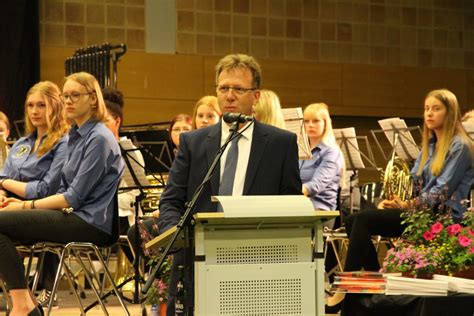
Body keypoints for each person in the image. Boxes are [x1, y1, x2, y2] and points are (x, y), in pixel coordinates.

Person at [157, 53, 302, 315]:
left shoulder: (281, 144)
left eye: (238, 89)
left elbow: (289, 207)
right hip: (197, 260)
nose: (229, 96)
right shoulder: (193, 142)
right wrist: (177, 237)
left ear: (255, 96)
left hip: (255, 264)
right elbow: (171, 200)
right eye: (223, 88)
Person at [326, 89, 474, 313]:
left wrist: (410, 205)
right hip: (421, 213)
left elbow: (442, 190)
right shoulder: (430, 146)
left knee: (364, 220)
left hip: (442, 217)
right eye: (426, 109)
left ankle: (347, 288)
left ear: (450, 112)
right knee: (353, 219)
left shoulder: (460, 147)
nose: (429, 114)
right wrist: (397, 200)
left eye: (436, 108)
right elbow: (414, 181)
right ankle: (373, 283)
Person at [0, 72, 123, 316]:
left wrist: (25, 207)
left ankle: (24, 304)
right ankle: (25, 302)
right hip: (71, 214)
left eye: (75, 95)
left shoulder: (98, 138)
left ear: (93, 99)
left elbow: (72, 197)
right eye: (65, 95)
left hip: (89, 222)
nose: (68, 101)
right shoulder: (77, 135)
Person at [0, 81, 68, 202]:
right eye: (30, 105)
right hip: (10, 203)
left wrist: (5, 182)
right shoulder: (21, 143)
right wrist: (2, 195)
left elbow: (45, 189)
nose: (34, 111)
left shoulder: (63, 143)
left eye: (41, 105)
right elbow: (3, 176)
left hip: (39, 208)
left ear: (56, 107)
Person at [299, 103, 344, 213]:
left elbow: (315, 185)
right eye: (306, 121)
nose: (310, 125)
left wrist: (290, 192)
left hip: (319, 209)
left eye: (316, 121)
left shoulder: (331, 152)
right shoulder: (299, 149)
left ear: (326, 124)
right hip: (298, 204)